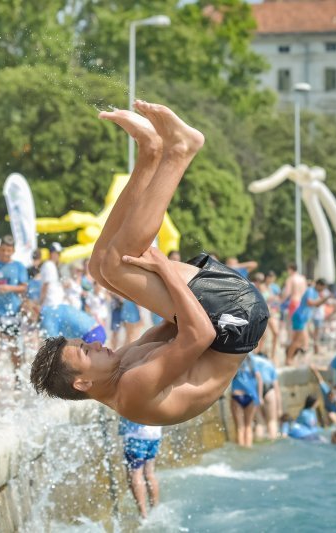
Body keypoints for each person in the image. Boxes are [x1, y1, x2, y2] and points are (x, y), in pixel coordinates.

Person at [29, 103, 269, 425]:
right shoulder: (132, 389)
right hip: (234, 321)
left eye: (86, 344)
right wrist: (164, 268)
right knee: (115, 266)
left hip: (226, 317)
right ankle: (179, 151)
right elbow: (198, 334)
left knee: (99, 267)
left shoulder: (122, 365)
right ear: (83, 383)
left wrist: (147, 279)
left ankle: (150, 152)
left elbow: (174, 324)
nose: (97, 343)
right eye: (87, 351)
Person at [0, 235, 28, 390]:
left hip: (11, 312)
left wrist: (9, 288)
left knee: (13, 347)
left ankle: (17, 377)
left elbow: (24, 287)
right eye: (3, 250)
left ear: (13, 251)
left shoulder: (19, 267)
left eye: (9, 251)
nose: (6, 253)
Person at [119, 417, 162, 519]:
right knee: (149, 473)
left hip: (136, 434)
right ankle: (155, 510)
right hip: (155, 434)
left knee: (135, 474)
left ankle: (143, 516)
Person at [285, 279, 330, 366]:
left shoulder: (316, 293)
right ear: (319, 285)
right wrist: (323, 299)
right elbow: (310, 303)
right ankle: (289, 359)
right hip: (300, 317)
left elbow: (317, 305)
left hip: (303, 318)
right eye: (322, 288)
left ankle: (291, 357)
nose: (323, 290)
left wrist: (324, 300)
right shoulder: (310, 290)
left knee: (300, 341)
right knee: (298, 341)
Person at [35, 302, 107, 345]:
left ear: (35, 311)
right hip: (99, 329)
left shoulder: (47, 319)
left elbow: (52, 346)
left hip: (91, 336)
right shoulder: (52, 308)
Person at [230, 356, 260, 447]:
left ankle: (241, 450)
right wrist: (260, 396)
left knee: (240, 427)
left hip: (237, 395)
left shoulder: (234, 358)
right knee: (248, 426)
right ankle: (248, 447)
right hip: (251, 396)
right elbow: (259, 378)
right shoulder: (252, 360)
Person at [251, 350, 281, 439]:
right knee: (272, 421)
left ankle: (259, 441)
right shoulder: (269, 364)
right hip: (268, 388)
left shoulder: (252, 360)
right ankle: (273, 442)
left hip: (255, 388)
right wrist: (279, 408)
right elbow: (276, 388)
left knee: (260, 422)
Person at [39, 242, 65, 309]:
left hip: (55, 303)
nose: (59, 255)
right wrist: (40, 303)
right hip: (51, 304)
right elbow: (46, 285)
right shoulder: (49, 265)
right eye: (58, 253)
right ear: (52, 253)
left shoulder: (51, 265)